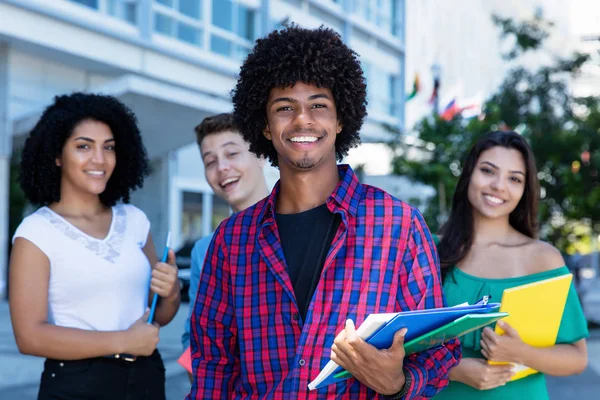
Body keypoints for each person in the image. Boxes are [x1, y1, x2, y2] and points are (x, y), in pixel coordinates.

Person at [186, 26, 460, 399]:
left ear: (341, 118)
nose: (302, 120)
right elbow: (212, 367)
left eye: (318, 105)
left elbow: (439, 353)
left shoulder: (399, 226)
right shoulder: (232, 241)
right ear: (265, 126)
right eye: (285, 107)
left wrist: (398, 383)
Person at [8, 93, 180, 400]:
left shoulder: (135, 220)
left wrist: (171, 292)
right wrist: (123, 341)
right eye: (84, 146)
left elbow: (157, 317)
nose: (99, 159)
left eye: (109, 147)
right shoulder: (36, 233)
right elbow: (29, 337)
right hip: (77, 385)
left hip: (146, 379)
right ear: (57, 155)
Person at [436, 131, 588, 399]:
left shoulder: (543, 259)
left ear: (524, 189)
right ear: (469, 173)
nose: (499, 185)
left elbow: (576, 358)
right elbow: (398, 343)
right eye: (487, 171)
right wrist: (454, 369)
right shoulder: (429, 249)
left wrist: (520, 353)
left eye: (514, 179)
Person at [181, 113, 269, 352]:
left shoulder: (300, 225)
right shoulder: (205, 250)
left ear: (260, 154)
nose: (222, 167)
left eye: (232, 154)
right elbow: (194, 337)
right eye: (210, 161)